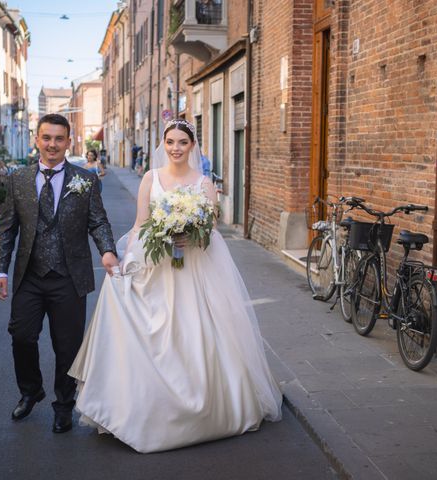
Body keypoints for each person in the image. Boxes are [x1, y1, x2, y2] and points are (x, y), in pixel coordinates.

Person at [68, 119, 282, 453]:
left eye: (183, 142)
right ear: (163, 144)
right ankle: (143, 408)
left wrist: (188, 233)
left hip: (195, 266)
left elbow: (211, 227)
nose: (176, 148)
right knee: (149, 323)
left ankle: (212, 409)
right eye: (170, 142)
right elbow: (141, 223)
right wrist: (128, 258)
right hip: (158, 264)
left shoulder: (204, 183)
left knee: (197, 331)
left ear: (192, 146)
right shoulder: (151, 179)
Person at [0, 114, 118, 434]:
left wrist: (106, 249)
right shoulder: (19, 179)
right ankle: (31, 390)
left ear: (68, 142)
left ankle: (64, 404)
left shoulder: (85, 180)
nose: (52, 145)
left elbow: (98, 221)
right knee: (21, 335)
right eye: (46, 138)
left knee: (67, 346)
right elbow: (7, 229)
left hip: (69, 276)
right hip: (29, 276)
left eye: (59, 139)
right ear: (37, 139)